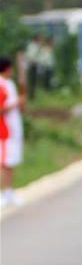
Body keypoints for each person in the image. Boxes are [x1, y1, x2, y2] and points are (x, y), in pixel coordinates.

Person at [0, 57, 25, 209]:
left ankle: (9, 193)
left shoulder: (10, 84)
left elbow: (19, 106)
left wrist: (20, 103)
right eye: (11, 68)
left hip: (13, 129)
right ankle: (1, 194)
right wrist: (16, 103)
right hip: (3, 131)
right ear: (7, 68)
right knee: (2, 164)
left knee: (10, 163)